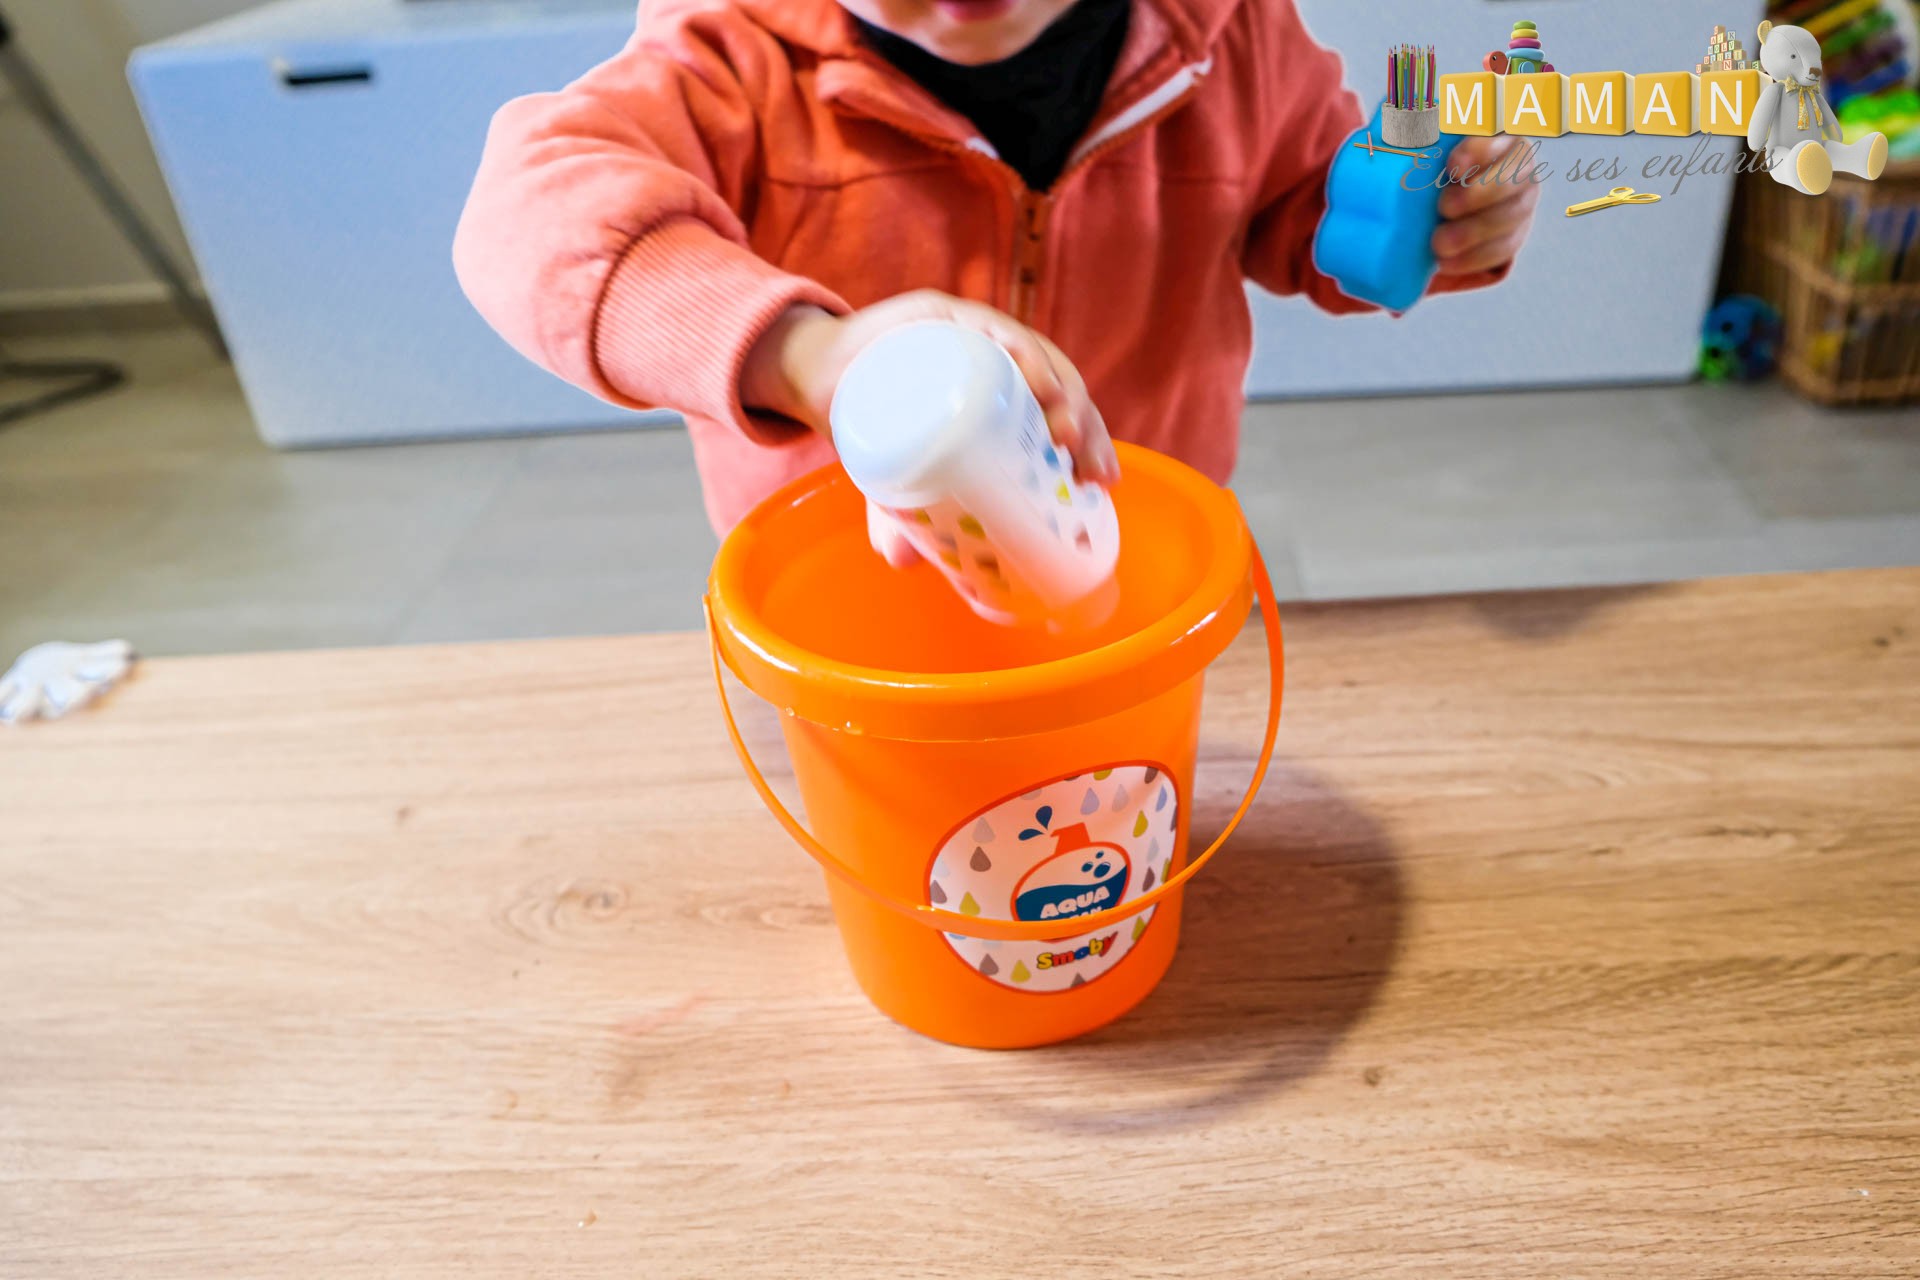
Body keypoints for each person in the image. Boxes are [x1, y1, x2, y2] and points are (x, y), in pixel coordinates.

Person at [454, 0, 1541, 540]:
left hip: (1127, 534)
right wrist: (810, 356)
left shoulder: (1234, 35)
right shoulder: (729, 61)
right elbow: (530, 218)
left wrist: (1437, 222)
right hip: (856, 578)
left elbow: (1307, 214)